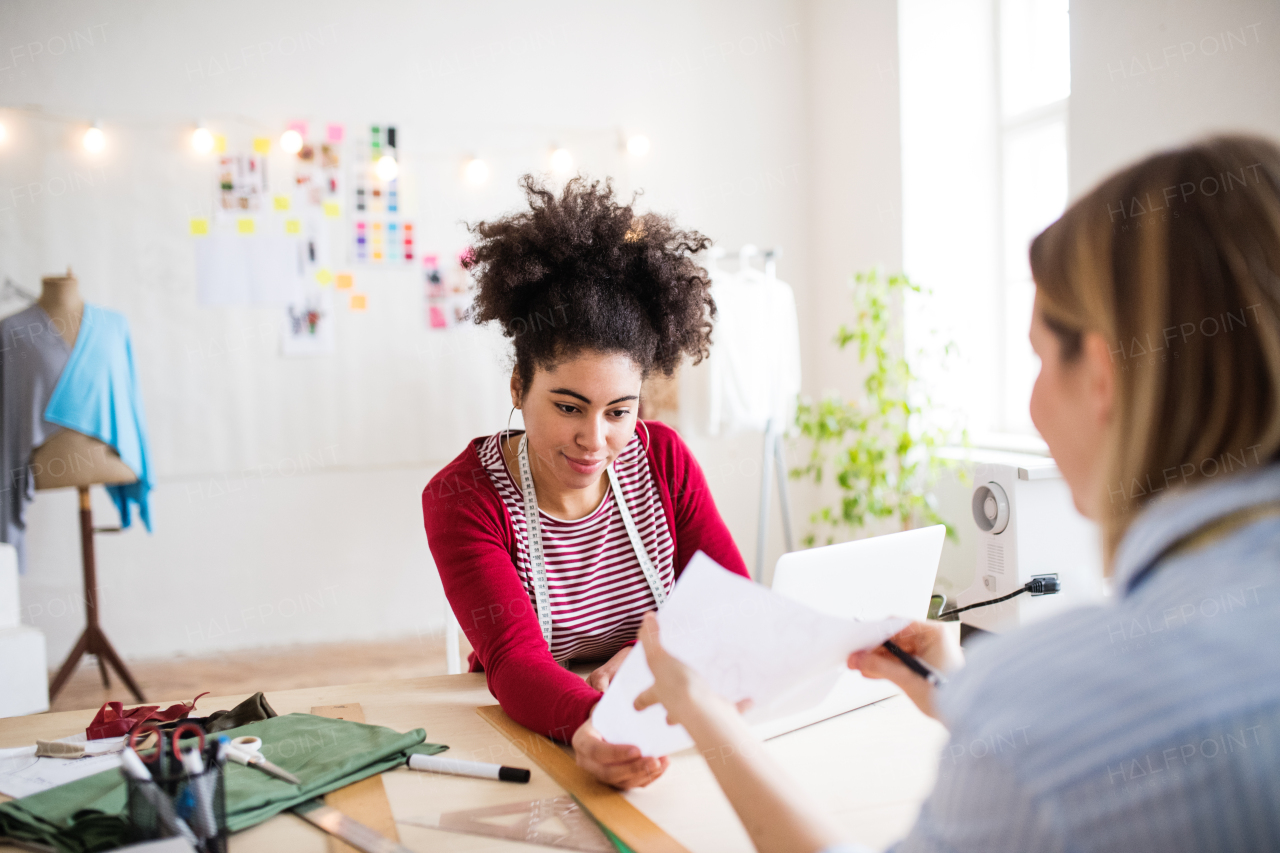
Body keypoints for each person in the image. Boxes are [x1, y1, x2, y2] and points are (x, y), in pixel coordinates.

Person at [634, 135, 1280, 852]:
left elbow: (1060, 759)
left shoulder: (1076, 694)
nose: (1033, 405)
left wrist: (702, 709)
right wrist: (960, 690)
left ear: (1102, 375)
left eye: (1037, 357)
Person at [421, 175, 751, 789]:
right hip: (545, 719)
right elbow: (515, 662)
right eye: (569, 407)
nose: (594, 440)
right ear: (519, 387)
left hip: (659, 706)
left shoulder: (665, 461)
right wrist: (596, 721)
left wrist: (652, 657)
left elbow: (730, 595)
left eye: (619, 411)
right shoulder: (465, 497)